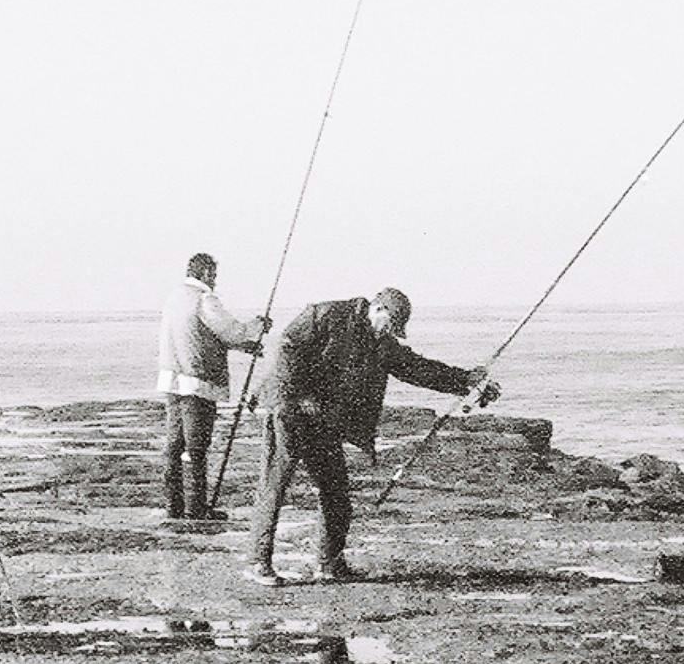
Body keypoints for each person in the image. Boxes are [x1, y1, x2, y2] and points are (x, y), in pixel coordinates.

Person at [241, 285, 490, 589]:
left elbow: (418, 369)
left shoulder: (382, 343)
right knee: (274, 487)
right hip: (285, 408)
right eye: (392, 325)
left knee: (337, 494)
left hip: (322, 419)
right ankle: (257, 562)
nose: (391, 333)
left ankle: (328, 564)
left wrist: (465, 380)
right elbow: (288, 345)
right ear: (378, 309)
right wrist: (299, 395)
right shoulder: (328, 313)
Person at [154, 252, 268, 520]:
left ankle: (174, 506)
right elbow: (230, 331)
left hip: (172, 379)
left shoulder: (174, 297)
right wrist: (257, 326)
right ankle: (196, 509)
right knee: (196, 447)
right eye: (213, 275)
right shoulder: (204, 299)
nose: (215, 281)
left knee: (175, 445)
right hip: (197, 382)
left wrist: (246, 347)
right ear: (205, 273)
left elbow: (202, 334)